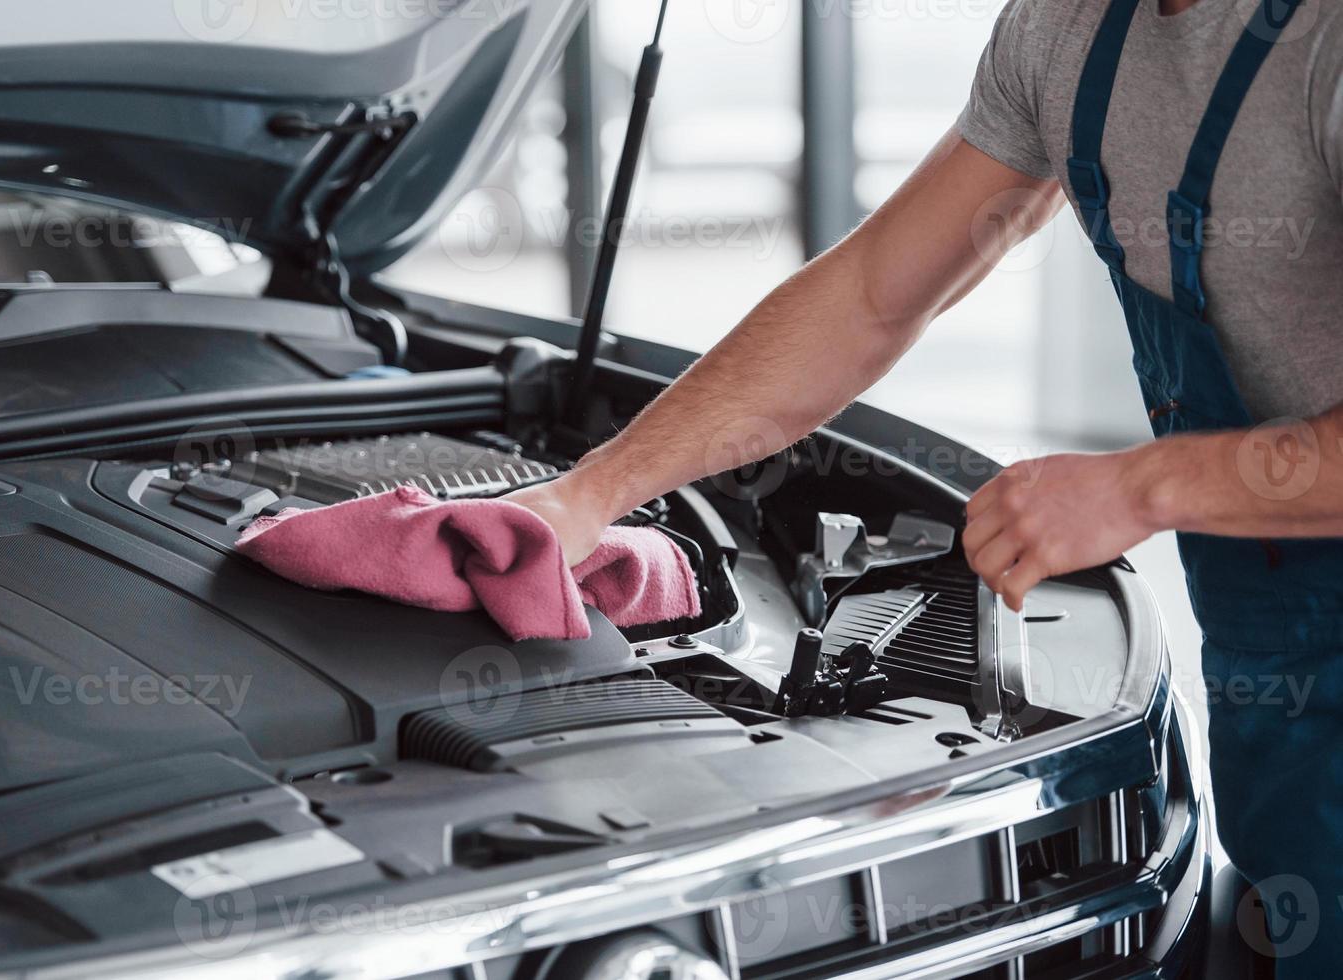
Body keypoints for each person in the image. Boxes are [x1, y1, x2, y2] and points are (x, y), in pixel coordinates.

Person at [509, 0, 1343, 972]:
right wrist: (591, 494)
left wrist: (1144, 486)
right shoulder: (1065, 33)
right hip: (1274, 664)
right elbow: (869, 296)